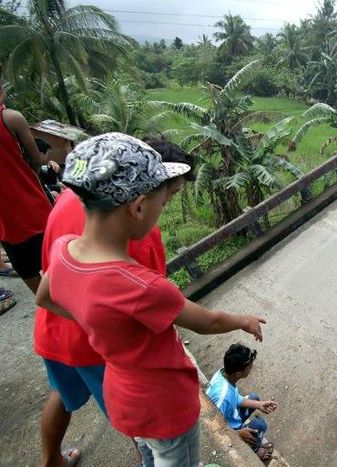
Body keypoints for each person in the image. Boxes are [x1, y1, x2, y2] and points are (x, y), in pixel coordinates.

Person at [36, 133, 267, 467]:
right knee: (178, 459)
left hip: (123, 396)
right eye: (163, 201)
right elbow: (207, 322)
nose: (163, 208)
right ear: (139, 205)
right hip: (164, 404)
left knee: (149, 450)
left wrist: (97, 318)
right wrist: (242, 319)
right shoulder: (141, 285)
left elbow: (46, 297)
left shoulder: (64, 250)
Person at [34, 139, 195, 467]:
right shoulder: (135, 238)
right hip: (99, 344)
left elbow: (48, 278)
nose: (165, 207)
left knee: (61, 396)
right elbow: (152, 307)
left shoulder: (80, 195)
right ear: (142, 198)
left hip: (53, 324)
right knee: (147, 428)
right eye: (166, 199)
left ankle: (50, 460)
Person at [0, 82, 53, 294]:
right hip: (31, 205)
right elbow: (34, 159)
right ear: (2, 92)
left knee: (29, 274)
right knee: (56, 263)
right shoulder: (11, 118)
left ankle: (53, 315)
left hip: (5, 220)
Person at [207, 343, 277, 461]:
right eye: (249, 367)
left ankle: (245, 434)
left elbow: (236, 399)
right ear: (239, 373)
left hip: (228, 417)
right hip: (227, 428)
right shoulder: (223, 398)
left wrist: (259, 405)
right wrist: (238, 434)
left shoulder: (223, 374)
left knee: (254, 398)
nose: (251, 368)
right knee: (260, 424)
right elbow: (215, 430)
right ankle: (254, 450)